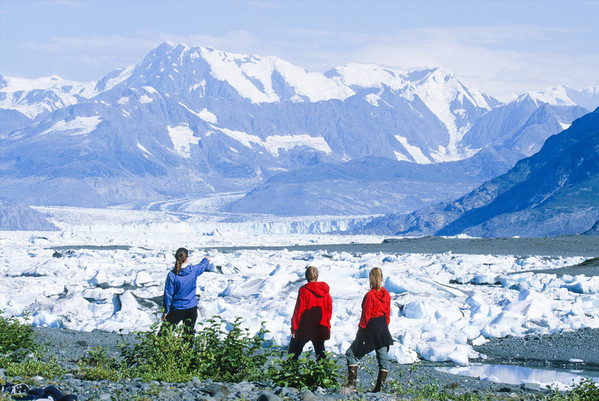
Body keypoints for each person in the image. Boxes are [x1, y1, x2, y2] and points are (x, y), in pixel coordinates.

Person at [344, 267, 393, 393]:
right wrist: (383, 326)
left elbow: (366, 315)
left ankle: (351, 386)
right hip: (383, 328)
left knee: (351, 354)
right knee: (383, 359)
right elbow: (387, 314)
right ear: (382, 278)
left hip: (370, 328)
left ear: (370, 279)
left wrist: (361, 330)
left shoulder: (370, 295)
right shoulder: (386, 294)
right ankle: (379, 389)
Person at [161, 247, 210, 338]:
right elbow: (202, 266)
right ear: (187, 258)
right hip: (191, 309)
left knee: (163, 335)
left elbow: (168, 294)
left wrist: (166, 311)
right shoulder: (193, 270)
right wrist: (206, 259)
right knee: (188, 336)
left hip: (177, 309)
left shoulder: (172, 275)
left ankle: (161, 351)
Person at [288, 266, 333, 360]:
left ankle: (291, 373)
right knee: (320, 354)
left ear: (306, 276)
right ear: (317, 276)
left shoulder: (304, 291)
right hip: (320, 327)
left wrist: (294, 328)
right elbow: (328, 311)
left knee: (293, 353)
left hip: (305, 328)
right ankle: (323, 374)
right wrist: (326, 324)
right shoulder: (326, 292)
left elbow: (298, 311)